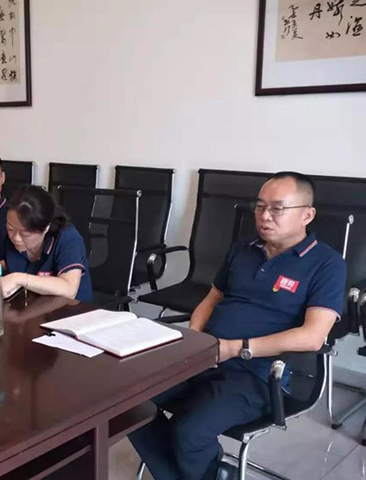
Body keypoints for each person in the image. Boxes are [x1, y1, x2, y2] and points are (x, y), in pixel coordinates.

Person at [128, 172, 346, 480]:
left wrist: (236, 348)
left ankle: (203, 470)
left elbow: (313, 337)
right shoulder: (243, 248)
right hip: (206, 357)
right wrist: (194, 337)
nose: (264, 216)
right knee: (125, 402)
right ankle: (211, 472)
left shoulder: (327, 264)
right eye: (260, 206)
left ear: (306, 215)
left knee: (189, 431)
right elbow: (211, 299)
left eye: (277, 208)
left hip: (257, 375)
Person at [0, 185, 93, 302]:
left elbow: (68, 289)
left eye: (25, 234)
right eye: (11, 228)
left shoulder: (67, 238)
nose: (16, 238)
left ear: (45, 228)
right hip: (27, 310)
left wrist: (19, 279)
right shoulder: (6, 234)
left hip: (72, 315)